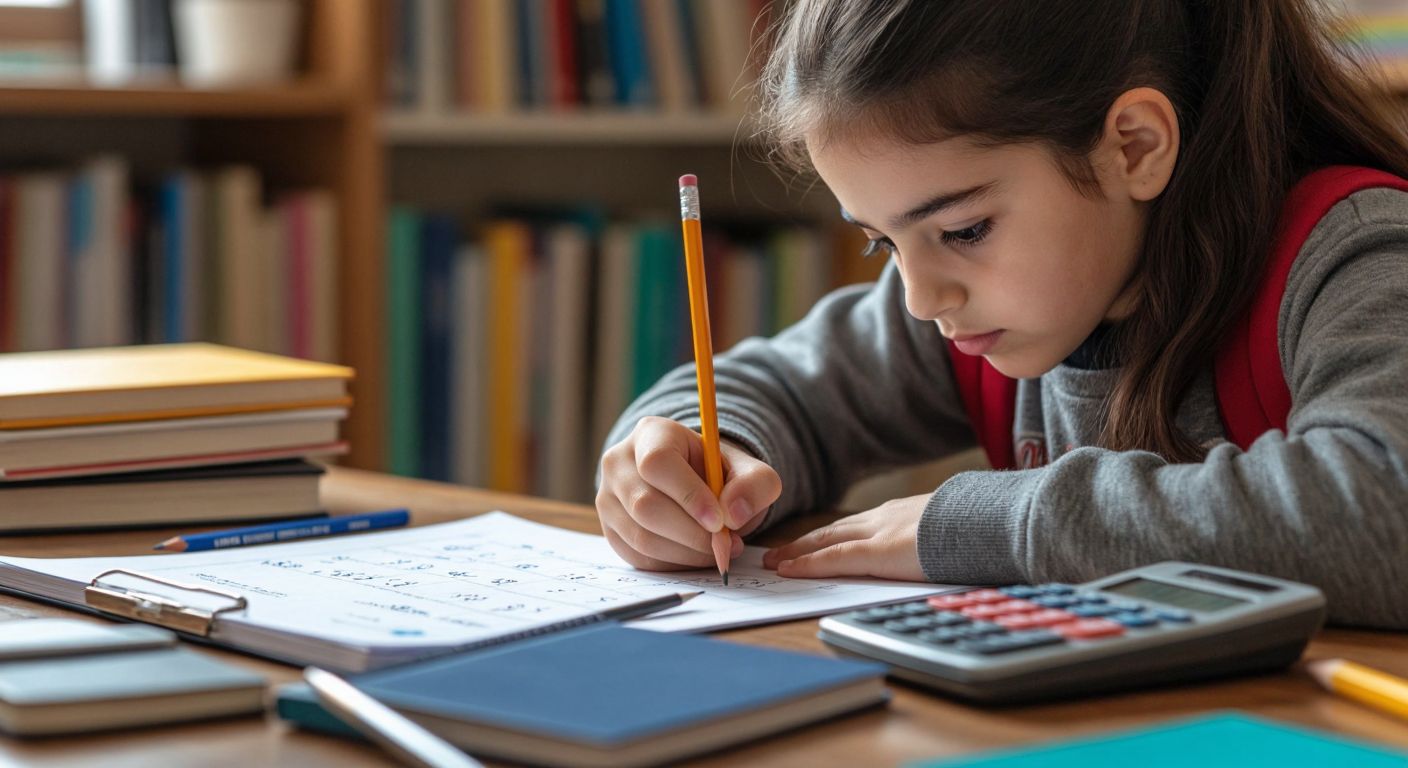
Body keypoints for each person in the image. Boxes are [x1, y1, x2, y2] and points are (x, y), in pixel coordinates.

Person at [595, 0, 1408, 628]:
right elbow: (779, 392)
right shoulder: (972, 304)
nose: (920, 296)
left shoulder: (1351, 256)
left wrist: (993, 525)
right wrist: (693, 456)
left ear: (1133, 146)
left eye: (963, 230)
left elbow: (1386, 513)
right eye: (883, 242)